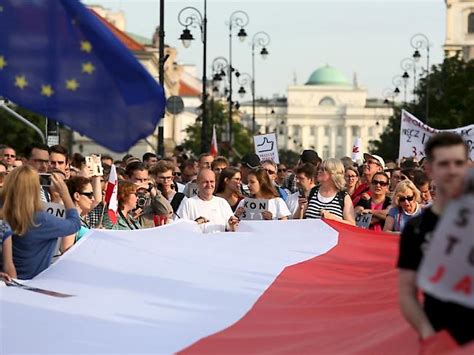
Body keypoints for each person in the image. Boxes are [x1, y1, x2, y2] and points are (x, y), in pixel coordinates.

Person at [398, 132, 473, 345]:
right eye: (444, 164)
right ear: (430, 169)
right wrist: (428, 334)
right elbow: (406, 293)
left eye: (458, 163)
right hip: (442, 340)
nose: (452, 170)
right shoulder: (416, 229)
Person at [1, 166, 81, 279]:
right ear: (35, 189)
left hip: (5, 281)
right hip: (32, 284)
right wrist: (65, 193)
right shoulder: (40, 220)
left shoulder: (3, 214)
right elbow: (75, 224)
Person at [303, 159, 355, 225]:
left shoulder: (343, 196)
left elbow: (352, 225)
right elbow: (298, 219)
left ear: (333, 173)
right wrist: (300, 208)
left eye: (323, 169)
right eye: (319, 169)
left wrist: (332, 218)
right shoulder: (312, 191)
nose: (319, 171)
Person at [62, 177, 98, 251]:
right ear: (77, 196)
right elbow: (66, 250)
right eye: (89, 195)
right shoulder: (70, 220)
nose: (93, 199)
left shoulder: (77, 218)